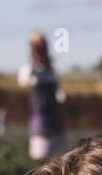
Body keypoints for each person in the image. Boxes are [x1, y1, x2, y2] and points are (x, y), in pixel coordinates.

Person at [20, 31, 64, 161]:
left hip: (56, 124)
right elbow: (24, 80)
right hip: (40, 125)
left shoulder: (52, 71)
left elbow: (59, 95)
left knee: (60, 161)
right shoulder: (29, 70)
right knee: (40, 161)